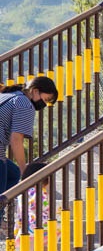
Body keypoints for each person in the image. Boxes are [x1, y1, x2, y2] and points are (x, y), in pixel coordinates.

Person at [0, 77, 58, 205]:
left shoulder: (8, 95)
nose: (44, 104)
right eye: (46, 99)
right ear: (35, 91)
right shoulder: (25, 104)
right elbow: (16, 140)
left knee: (12, 173)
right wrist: (24, 171)